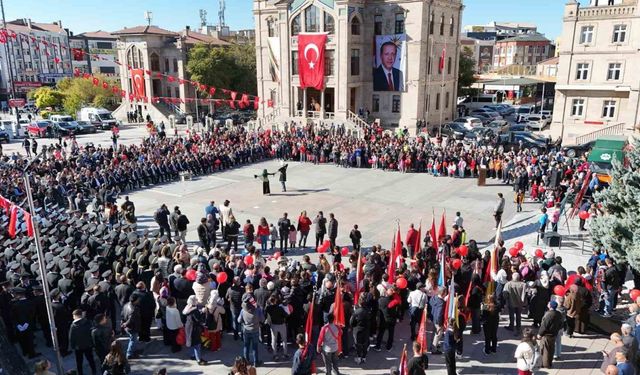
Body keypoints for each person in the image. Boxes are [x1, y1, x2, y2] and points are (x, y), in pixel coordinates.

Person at [69, 309, 97, 375]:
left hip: (78, 347)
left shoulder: (73, 326)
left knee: (79, 362)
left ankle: (80, 373)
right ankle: (94, 371)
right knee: (90, 359)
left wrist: (73, 346)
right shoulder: (88, 322)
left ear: (76, 316)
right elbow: (92, 334)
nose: (73, 317)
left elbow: (71, 337)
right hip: (88, 346)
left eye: (73, 316)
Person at [238, 294, 264, 367]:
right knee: (255, 347)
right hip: (255, 330)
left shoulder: (243, 311)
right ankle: (256, 362)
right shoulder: (258, 310)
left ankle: (246, 362)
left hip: (246, 331)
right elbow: (262, 319)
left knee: (246, 346)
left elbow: (239, 320)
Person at [537, 300, 563, 369]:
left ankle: (545, 364)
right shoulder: (558, 314)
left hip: (546, 335)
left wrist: (540, 334)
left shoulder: (548, 315)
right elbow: (561, 324)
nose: (548, 304)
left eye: (549, 303)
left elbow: (544, 326)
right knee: (551, 349)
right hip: (554, 334)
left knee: (545, 350)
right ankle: (549, 363)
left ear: (550, 306)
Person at [183, 295, 207, 366]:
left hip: (188, 327)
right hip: (194, 329)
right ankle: (199, 360)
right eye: (196, 299)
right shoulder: (194, 310)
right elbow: (198, 320)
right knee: (197, 344)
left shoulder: (187, 307)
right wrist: (202, 312)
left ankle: (193, 355)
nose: (197, 300)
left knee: (191, 342)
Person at [121, 294, 141, 360]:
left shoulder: (126, 305)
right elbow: (131, 319)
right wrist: (125, 324)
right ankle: (129, 353)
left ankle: (133, 350)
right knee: (133, 340)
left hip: (128, 327)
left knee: (132, 339)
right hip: (132, 327)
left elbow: (122, 314)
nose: (139, 300)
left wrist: (123, 323)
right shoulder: (134, 309)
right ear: (135, 300)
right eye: (138, 299)